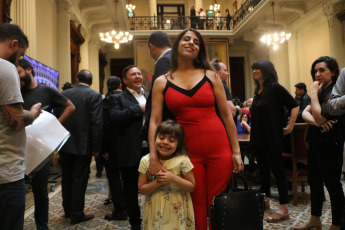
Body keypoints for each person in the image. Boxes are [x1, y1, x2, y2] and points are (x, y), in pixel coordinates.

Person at [148, 28, 243, 230]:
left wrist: (236, 151)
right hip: (188, 152)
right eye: (187, 39)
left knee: (217, 201)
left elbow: (227, 115)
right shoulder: (161, 81)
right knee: (196, 202)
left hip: (220, 148)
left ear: (199, 50)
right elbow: (154, 121)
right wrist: (154, 156)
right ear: (177, 44)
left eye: (196, 42)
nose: (191, 43)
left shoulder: (212, 76)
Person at [17, 59, 75, 230]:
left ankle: (42, 227)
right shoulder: (16, 92)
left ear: (28, 70)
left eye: (19, 72)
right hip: (18, 151)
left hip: (40, 153)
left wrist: (53, 126)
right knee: (18, 195)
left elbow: (70, 107)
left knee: (41, 193)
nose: (17, 76)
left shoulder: (46, 90)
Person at [0, 23, 42, 230]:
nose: (17, 62)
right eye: (18, 57)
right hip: (5, 173)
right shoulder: (5, 68)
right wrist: (33, 113)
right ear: (14, 44)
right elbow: (15, 119)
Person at [294, 56, 344, 230]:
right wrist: (317, 122)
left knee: (332, 184)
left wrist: (314, 94)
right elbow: (306, 113)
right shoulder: (321, 88)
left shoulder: (335, 91)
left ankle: (338, 223)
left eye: (322, 70)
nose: (317, 74)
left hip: (331, 142)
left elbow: (317, 113)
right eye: (315, 70)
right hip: (317, 141)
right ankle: (315, 219)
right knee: (314, 181)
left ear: (333, 72)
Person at [250, 60, 299, 223]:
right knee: (263, 172)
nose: (254, 71)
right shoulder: (258, 90)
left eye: (258, 68)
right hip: (259, 138)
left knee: (278, 172)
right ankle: (265, 201)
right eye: (253, 68)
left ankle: (283, 209)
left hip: (272, 137)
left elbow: (294, 104)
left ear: (266, 71)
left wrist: (290, 126)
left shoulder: (275, 87)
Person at [59, 69, 103, 225]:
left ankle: (67, 210)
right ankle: (77, 214)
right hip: (83, 145)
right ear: (91, 81)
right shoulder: (94, 96)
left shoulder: (64, 94)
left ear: (77, 79)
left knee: (67, 178)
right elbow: (96, 123)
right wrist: (97, 147)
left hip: (64, 143)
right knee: (79, 180)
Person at [108, 65, 148, 230]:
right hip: (130, 151)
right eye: (133, 74)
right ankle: (135, 224)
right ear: (124, 80)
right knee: (131, 191)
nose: (138, 76)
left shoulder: (150, 96)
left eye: (139, 73)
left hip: (152, 150)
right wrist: (138, 108)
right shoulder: (117, 98)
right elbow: (115, 118)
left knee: (155, 186)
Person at [138, 120, 195, 229]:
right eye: (161, 137)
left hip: (177, 210)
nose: (165, 142)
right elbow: (142, 189)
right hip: (155, 209)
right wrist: (158, 182)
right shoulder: (146, 161)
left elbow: (191, 186)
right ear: (155, 138)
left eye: (171, 140)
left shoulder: (183, 161)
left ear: (179, 143)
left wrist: (173, 178)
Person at [103, 76, 128, 221]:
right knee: (127, 176)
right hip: (128, 144)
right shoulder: (128, 98)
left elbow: (105, 126)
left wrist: (103, 149)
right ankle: (129, 206)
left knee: (114, 177)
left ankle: (120, 209)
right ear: (120, 85)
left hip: (112, 145)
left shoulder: (106, 101)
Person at [142, 31, 171, 141]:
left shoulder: (163, 61)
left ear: (151, 47)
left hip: (164, 126)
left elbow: (161, 97)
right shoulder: (175, 57)